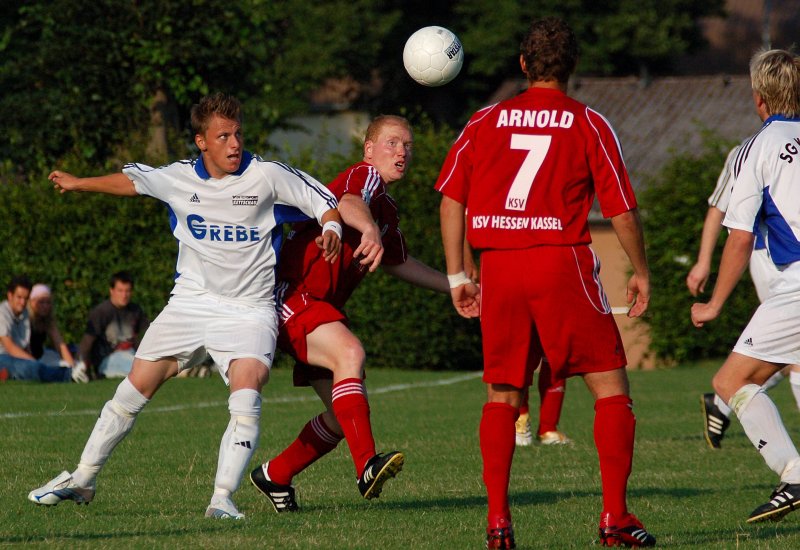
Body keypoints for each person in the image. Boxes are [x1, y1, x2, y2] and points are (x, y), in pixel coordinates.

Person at [27, 92, 343, 520]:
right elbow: (133, 181)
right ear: (201, 141)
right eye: (223, 136)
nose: (235, 144)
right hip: (190, 304)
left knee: (247, 392)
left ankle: (222, 499)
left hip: (249, 309)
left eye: (238, 134)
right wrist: (79, 182)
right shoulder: (178, 177)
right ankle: (83, 478)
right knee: (132, 390)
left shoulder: (267, 175)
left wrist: (332, 229)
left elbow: (323, 200)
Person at [436, 17, 655, 548]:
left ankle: (497, 522)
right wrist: (641, 270)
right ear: (573, 66)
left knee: (502, 392)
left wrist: (458, 273)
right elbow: (620, 209)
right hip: (560, 261)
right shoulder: (588, 122)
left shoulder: (484, 119)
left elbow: (451, 198)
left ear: (523, 65)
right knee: (610, 386)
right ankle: (615, 516)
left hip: (500, 266)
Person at [249, 115, 478, 511]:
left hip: (317, 307)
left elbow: (399, 262)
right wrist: (368, 230)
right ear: (368, 150)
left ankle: (276, 474)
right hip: (294, 296)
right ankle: (367, 466)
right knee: (350, 352)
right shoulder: (363, 176)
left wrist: (455, 285)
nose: (402, 152)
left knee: (342, 418)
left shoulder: (386, 209)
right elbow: (348, 202)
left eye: (407, 145)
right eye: (392, 143)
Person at [691, 48, 800, 523]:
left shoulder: (757, 147)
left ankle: (794, 474)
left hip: (797, 283)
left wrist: (714, 303)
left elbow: (740, 238)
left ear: (759, 97)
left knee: (730, 381)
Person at [687, 146, 800, 449]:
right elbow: (719, 207)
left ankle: (721, 404)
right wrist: (703, 261)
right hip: (772, 258)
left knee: (786, 354)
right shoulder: (749, 149)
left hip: (790, 260)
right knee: (794, 355)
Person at [466, 248, 570, 447]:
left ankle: (547, 428)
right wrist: (465, 263)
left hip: (548, 268)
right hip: (509, 268)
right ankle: (521, 421)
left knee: (552, 351)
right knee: (519, 353)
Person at [0, 276, 88, 383]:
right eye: (19, 297)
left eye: (25, 298)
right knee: (32, 368)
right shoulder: (2, 313)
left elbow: (26, 345)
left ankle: (72, 370)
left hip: (20, 358)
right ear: (10, 295)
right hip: (4, 357)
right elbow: (10, 347)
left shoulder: (24, 313)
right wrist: (33, 362)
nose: (22, 302)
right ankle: (69, 375)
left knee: (34, 367)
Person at [79, 271, 149, 379]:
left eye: (127, 291)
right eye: (120, 291)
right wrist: (81, 365)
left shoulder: (135, 310)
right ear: (111, 290)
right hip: (108, 360)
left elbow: (146, 335)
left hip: (131, 355)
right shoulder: (101, 312)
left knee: (141, 362)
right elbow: (87, 341)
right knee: (139, 368)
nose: (124, 295)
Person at [28, 283, 78, 368]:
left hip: (41, 355)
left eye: (48, 302)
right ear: (31, 302)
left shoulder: (48, 321)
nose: (45, 306)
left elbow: (59, 344)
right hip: (27, 359)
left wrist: (72, 366)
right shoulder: (26, 320)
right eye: (41, 302)